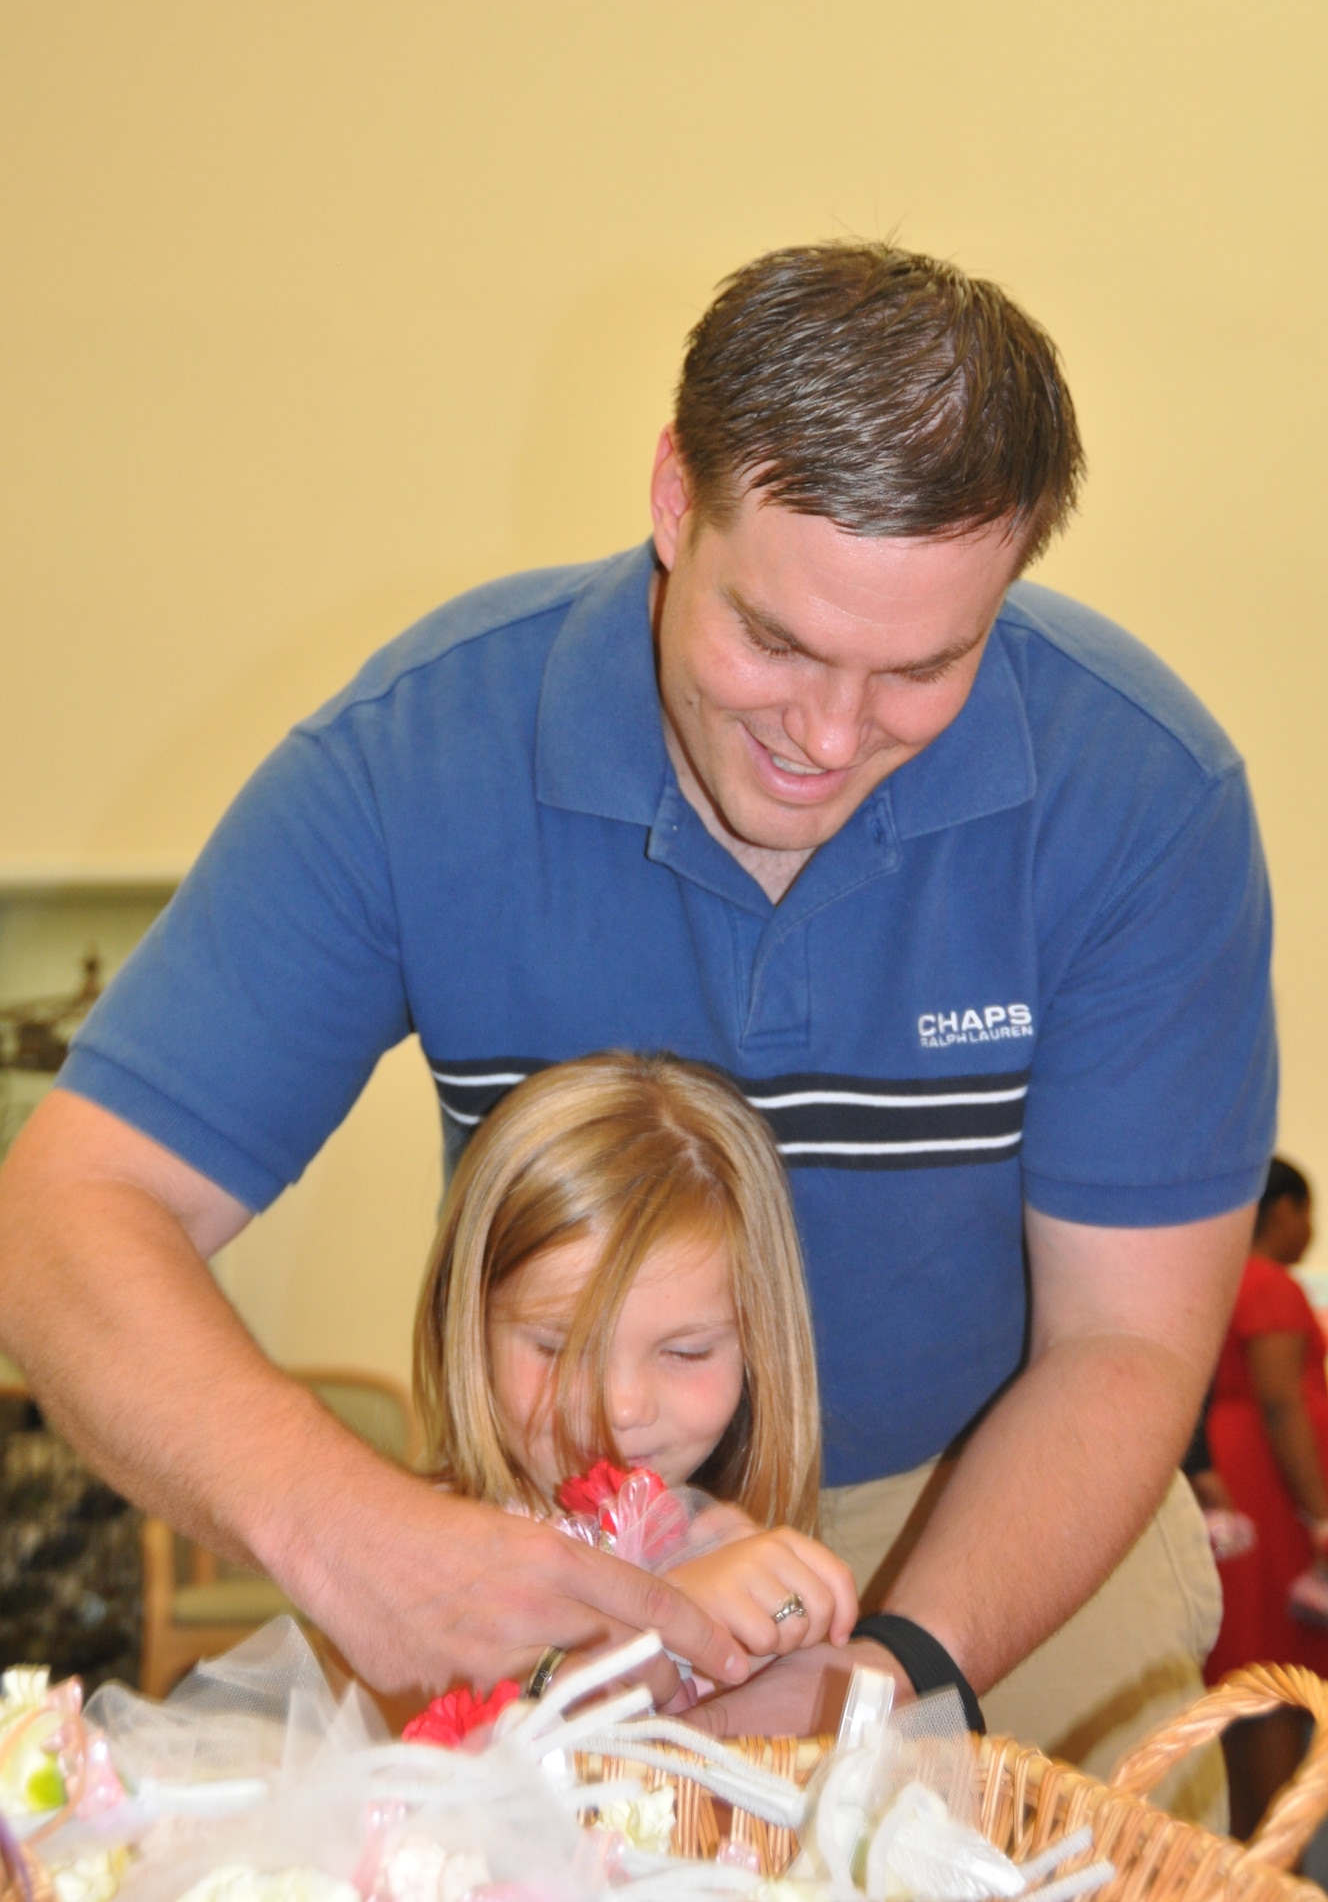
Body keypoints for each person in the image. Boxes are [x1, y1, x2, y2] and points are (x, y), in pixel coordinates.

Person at [0, 243, 1274, 1794]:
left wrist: (888, 1678)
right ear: (675, 499)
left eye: (922, 668)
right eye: (778, 640)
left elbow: (1127, 1346)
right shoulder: (422, 754)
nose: (824, 737)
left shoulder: (1137, 792)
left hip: (1008, 1517)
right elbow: (68, 1213)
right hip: (566, 1530)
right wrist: (347, 1532)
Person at [414, 1048, 858, 1678]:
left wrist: (790, 1641)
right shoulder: (414, 1553)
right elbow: (431, 1734)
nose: (621, 1408)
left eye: (686, 1352)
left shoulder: (730, 1547)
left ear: (760, 1348)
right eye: (558, 1348)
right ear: (468, 1330)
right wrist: (659, 1624)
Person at [1205, 1157, 1328, 1834]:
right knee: (1275, 1680)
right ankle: (1276, 1858)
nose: (1309, 1229)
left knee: (1244, 1682)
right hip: (1273, 1503)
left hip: (1237, 1498)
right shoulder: (1270, 1285)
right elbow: (1281, 1405)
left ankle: (1249, 1853)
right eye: (1307, 1212)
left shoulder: (1218, 1278)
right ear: (1280, 1212)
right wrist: (1320, 1516)